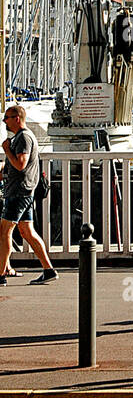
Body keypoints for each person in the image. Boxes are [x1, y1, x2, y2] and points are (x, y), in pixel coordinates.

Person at [0, 105, 57, 286]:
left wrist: (6, 149)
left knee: (4, 231)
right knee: (27, 232)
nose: (4, 122)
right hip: (23, 191)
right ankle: (48, 270)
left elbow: (20, 165)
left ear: (17, 118)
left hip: (19, 192)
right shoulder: (21, 137)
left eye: (7, 118)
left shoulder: (23, 137)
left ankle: (1, 274)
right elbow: (13, 166)